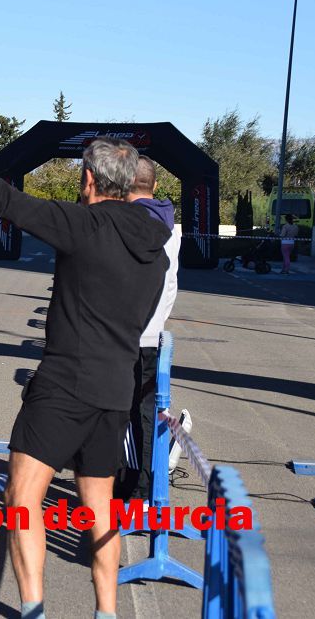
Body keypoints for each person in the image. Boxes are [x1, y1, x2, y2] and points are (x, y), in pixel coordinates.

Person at [0, 128, 170, 619]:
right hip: (116, 388)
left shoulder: (83, 224)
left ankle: (33, 611)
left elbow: (7, 200)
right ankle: (106, 613)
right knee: (100, 508)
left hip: (65, 383)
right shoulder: (157, 246)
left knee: (22, 497)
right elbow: (146, 315)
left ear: (88, 179)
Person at [114, 156, 181, 503]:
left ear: (124, 185)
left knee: (123, 414)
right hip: (153, 333)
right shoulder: (172, 226)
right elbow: (170, 285)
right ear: (155, 186)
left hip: (124, 334)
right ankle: (140, 486)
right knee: (145, 411)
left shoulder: (121, 222)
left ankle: (130, 488)